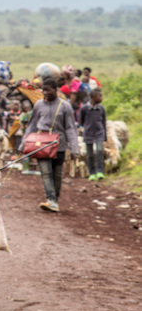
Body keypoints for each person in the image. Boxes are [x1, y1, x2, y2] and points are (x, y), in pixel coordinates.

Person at [18, 78, 78, 212]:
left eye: (48, 90)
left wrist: (74, 148)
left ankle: (54, 200)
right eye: (43, 90)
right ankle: (51, 199)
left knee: (57, 174)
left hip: (59, 145)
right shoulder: (38, 105)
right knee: (46, 172)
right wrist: (23, 144)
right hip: (42, 144)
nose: (45, 93)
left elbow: (70, 128)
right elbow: (32, 125)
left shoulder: (65, 106)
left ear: (55, 90)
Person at [80, 88, 106, 181]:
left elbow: (103, 122)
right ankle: (92, 173)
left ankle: (100, 172)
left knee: (99, 151)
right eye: (100, 96)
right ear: (93, 97)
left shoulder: (101, 108)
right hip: (88, 134)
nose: (101, 98)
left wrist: (104, 136)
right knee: (90, 154)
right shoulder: (84, 108)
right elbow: (81, 121)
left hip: (99, 133)